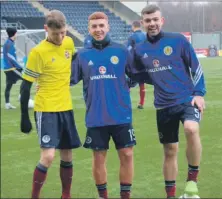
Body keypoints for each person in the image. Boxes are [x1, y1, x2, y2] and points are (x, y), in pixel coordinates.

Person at [131, 4, 206, 198]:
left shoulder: (178, 40)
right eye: (148, 20)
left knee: (191, 128)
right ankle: (171, 195)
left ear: (162, 20)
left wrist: (199, 93)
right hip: (163, 105)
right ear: (143, 23)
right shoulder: (139, 49)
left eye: (155, 19)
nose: (152, 23)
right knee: (170, 150)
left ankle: (192, 181)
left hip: (187, 99)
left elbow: (195, 67)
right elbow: (137, 74)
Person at [71, 12, 136, 199]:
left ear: (108, 27)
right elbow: (70, 79)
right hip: (96, 116)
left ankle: (125, 196)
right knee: (98, 158)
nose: (98, 29)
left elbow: (134, 75)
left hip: (121, 114)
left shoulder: (122, 50)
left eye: (101, 25)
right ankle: (103, 196)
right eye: (94, 26)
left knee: (127, 155)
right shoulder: (82, 54)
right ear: (89, 29)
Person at [20, 10, 81, 199]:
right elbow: (24, 87)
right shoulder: (38, 52)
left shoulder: (69, 43)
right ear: (46, 29)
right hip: (46, 109)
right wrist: (24, 117)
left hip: (66, 107)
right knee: (48, 156)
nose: (61, 37)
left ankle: (66, 195)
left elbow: (75, 60)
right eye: (56, 34)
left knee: (67, 155)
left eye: (63, 32)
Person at [127, 20, 146, 109]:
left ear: (133, 26)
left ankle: (126, 103)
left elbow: (128, 50)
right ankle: (141, 103)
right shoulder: (145, 35)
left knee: (128, 83)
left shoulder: (132, 37)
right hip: (145, 62)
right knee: (142, 83)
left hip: (135, 63)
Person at [3, 27, 23, 109]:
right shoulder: (9, 44)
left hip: (7, 68)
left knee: (8, 86)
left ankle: (7, 104)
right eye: (16, 33)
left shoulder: (9, 42)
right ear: (14, 34)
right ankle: (20, 96)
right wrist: (19, 66)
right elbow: (10, 57)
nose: (17, 34)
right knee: (26, 79)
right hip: (11, 69)